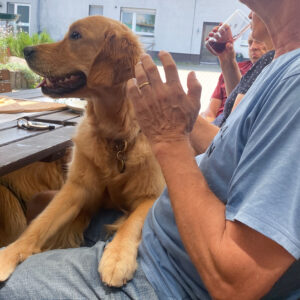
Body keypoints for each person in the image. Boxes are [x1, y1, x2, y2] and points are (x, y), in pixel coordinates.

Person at [1, 1, 300, 299]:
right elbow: (234, 152)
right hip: (165, 236)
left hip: (164, 274)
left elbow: (236, 282)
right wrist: (183, 120)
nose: (248, 15)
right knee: (40, 203)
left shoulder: (295, 84)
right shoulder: (278, 63)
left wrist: (169, 139)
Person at [213, 11, 275, 127]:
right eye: (250, 43)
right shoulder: (272, 61)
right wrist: (227, 60)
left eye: (255, 7)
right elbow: (236, 104)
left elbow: (233, 128)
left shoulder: (270, 60)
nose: (250, 15)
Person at [201, 34, 267, 123]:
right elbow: (210, 112)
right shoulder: (239, 66)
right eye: (250, 43)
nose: (253, 47)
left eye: (259, 41)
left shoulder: (270, 73)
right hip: (218, 124)